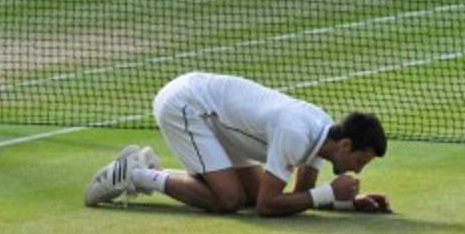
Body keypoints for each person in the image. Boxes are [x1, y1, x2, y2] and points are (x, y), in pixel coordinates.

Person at [84, 72, 390, 217]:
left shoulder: (323, 136)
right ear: (346, 144)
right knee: (228, 200)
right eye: (361, 160)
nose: (358, 169)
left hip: (215, 117)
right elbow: (267, 207)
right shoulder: (297, 134)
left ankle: (150, 169)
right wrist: (328, 193)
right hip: (186, 105)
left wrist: (344, 201)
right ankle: (137, 175)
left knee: (250, 193)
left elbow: (299, 198)